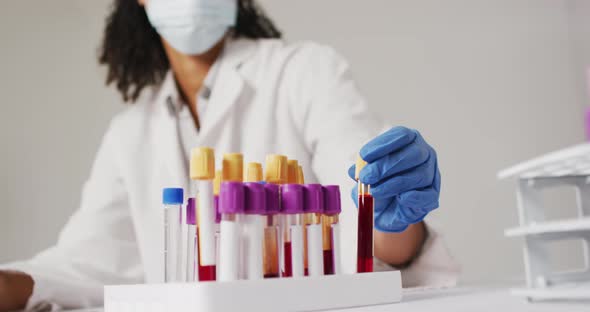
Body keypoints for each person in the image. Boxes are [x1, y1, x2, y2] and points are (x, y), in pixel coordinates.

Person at [0, 0, 459, 310]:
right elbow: (84, 261)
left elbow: (374, 228)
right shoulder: (130, 133)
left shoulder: (304, 73)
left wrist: (393, 210)